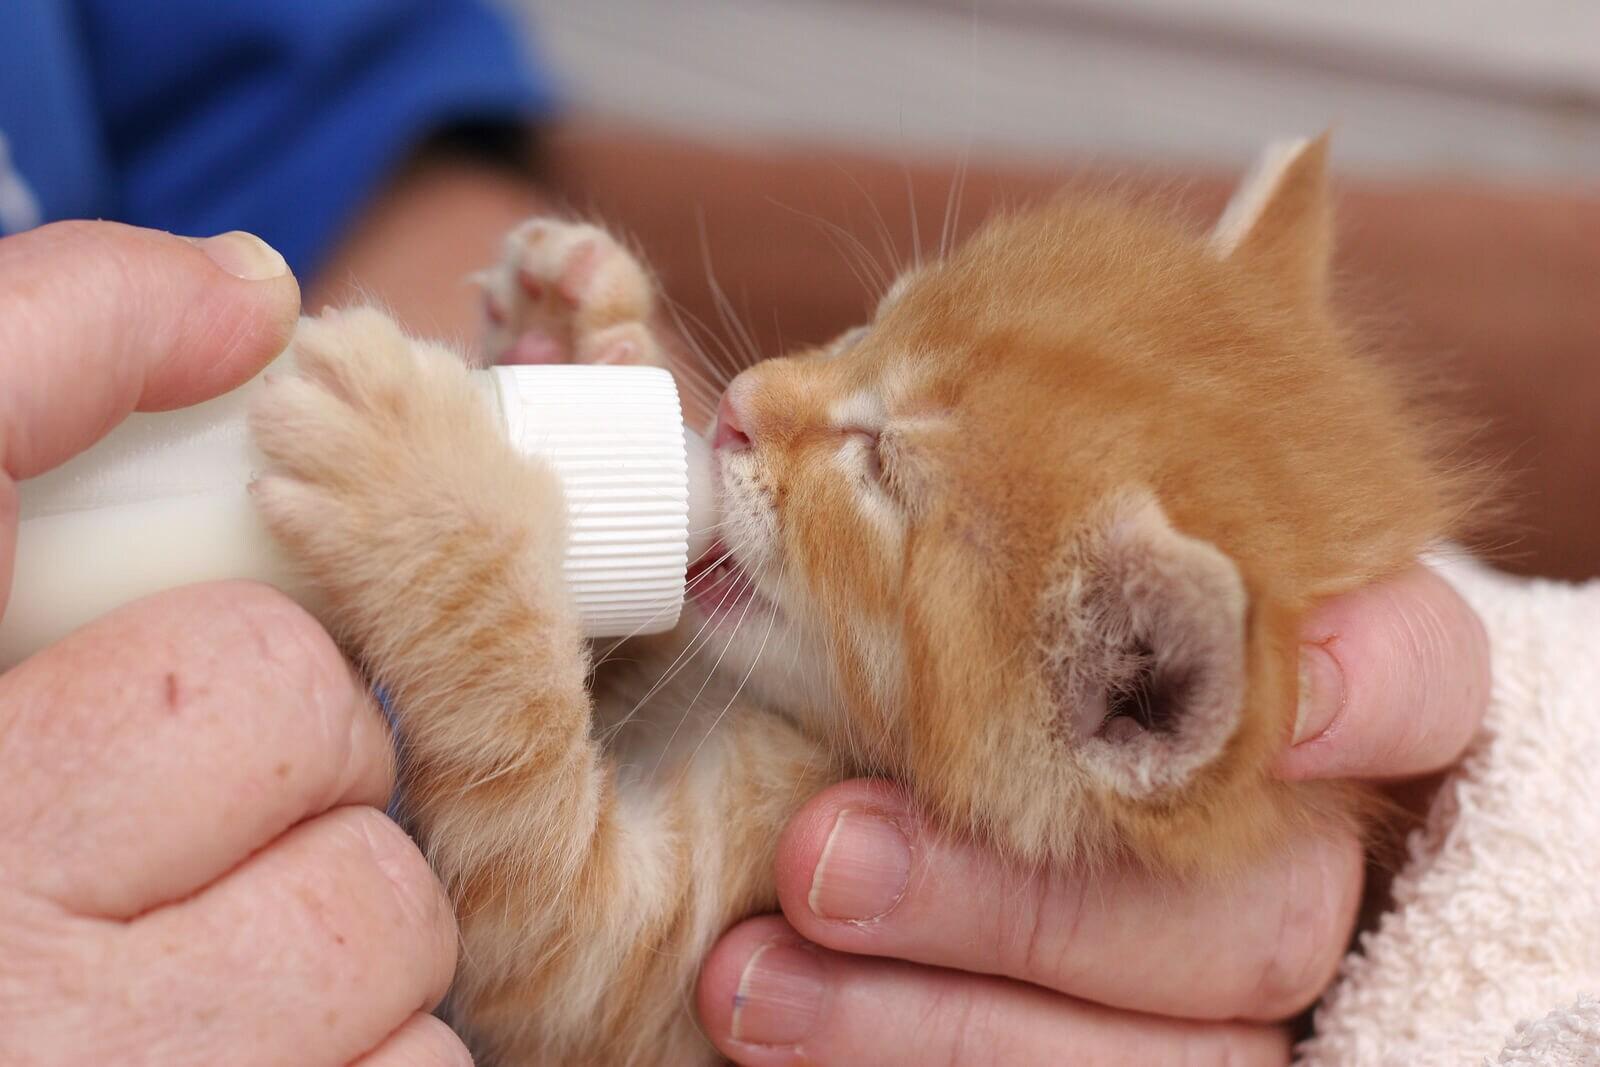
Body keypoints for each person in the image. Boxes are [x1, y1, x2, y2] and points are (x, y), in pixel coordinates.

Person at [0, 3, 1553, 1065]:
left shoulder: (861, 806)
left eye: (878, 463)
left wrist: (518, 543)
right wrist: (518, 545)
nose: (759, 396)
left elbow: (559, 973)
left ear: (1125, 694)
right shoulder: (869, 736)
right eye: (869, 334)